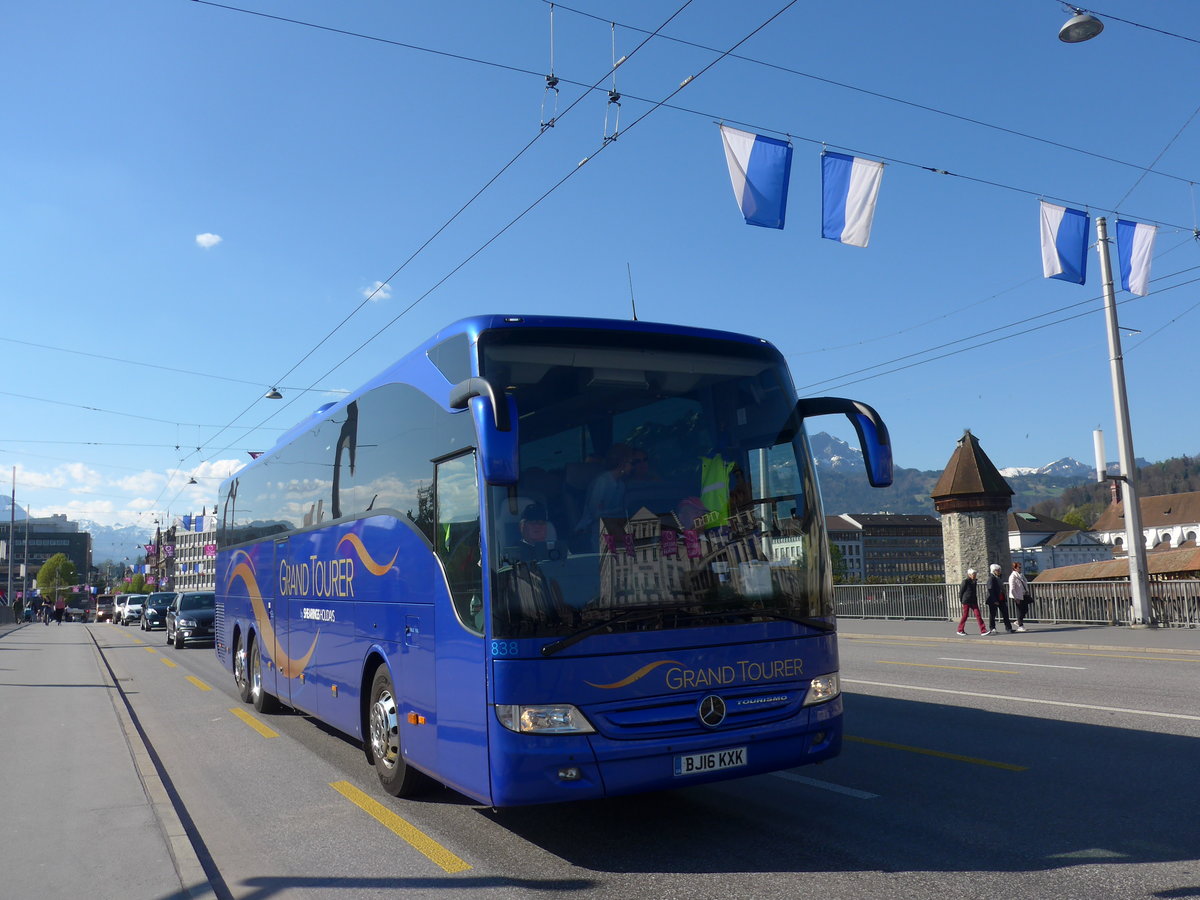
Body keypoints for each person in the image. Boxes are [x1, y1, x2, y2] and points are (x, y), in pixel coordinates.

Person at [956, 568, 989, 636]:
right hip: (966, 600)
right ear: (969, 575)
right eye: (973, 574)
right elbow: (961, 591)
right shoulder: (965, 581)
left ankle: (983, 630)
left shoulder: (974, 581)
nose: (975, 575)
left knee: (978, 615)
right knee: (965, 615)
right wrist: (961, 600)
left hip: (973, 601)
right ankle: (960, 630)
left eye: (975, 574)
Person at [985, 563, 1014, 634]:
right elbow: (990, 590)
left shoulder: (999, 578)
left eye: (999, 570)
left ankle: (1008, 628)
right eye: (997, 570)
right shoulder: (991, 578)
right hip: (994, 600)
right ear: (993, 571)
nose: (999, 571)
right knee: (992, 614)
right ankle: (992, 628)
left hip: (1001, 598)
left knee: (1005, 613)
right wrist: (994, 600)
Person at [1008, 561, 1030, 632]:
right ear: (1015, 568)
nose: (1020, 568)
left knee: (1026, 609)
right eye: (1019, 567)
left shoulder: (1021, 575)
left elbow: (1024, 583)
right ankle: (1020, 626)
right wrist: (1016, 597)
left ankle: (1018, 621)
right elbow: (1012, 588)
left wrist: (1026, 590)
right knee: (1019, 610)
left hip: (1024, 594)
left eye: (1020, 567)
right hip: (1018, 596)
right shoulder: (1012, 576)